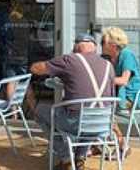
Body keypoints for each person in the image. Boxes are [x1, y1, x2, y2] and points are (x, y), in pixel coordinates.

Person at [29, 34, 115, 170]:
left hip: (75, 122)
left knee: (40, 111)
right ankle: (80, 157)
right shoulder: (108, 65)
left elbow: (37, 69)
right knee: (89, 117)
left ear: (77, 46)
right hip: (102, 124)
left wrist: (32, 64)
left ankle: (66, 158)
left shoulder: (70, 60)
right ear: (94, 47)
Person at [101, 27, 140, 157]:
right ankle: (97, 144)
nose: (101, 44)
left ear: (112, 45)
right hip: (116, 94)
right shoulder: (108, 57)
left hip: (131, 97)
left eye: (103, 42)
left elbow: (124, 80)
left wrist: (103, 80)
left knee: (105, 111)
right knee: (96, 107)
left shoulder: (127, 55)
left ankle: (122, 145)